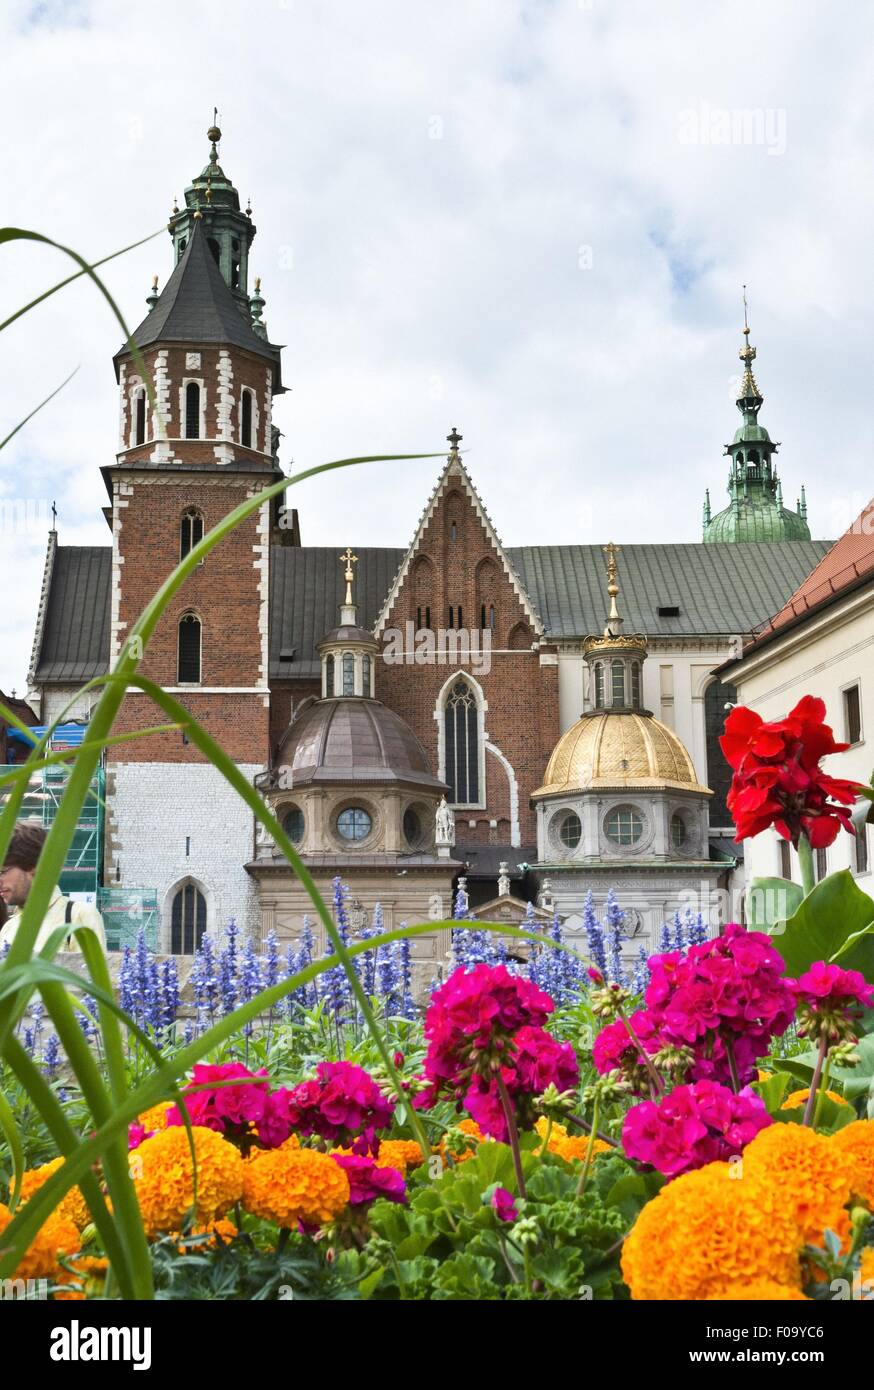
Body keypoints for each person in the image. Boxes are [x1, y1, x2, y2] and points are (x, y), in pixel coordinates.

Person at [0, 822, 107, 954]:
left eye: (2, 872)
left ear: (33, 867)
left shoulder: (78, 915)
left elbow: (92, 973)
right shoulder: (8, 927)